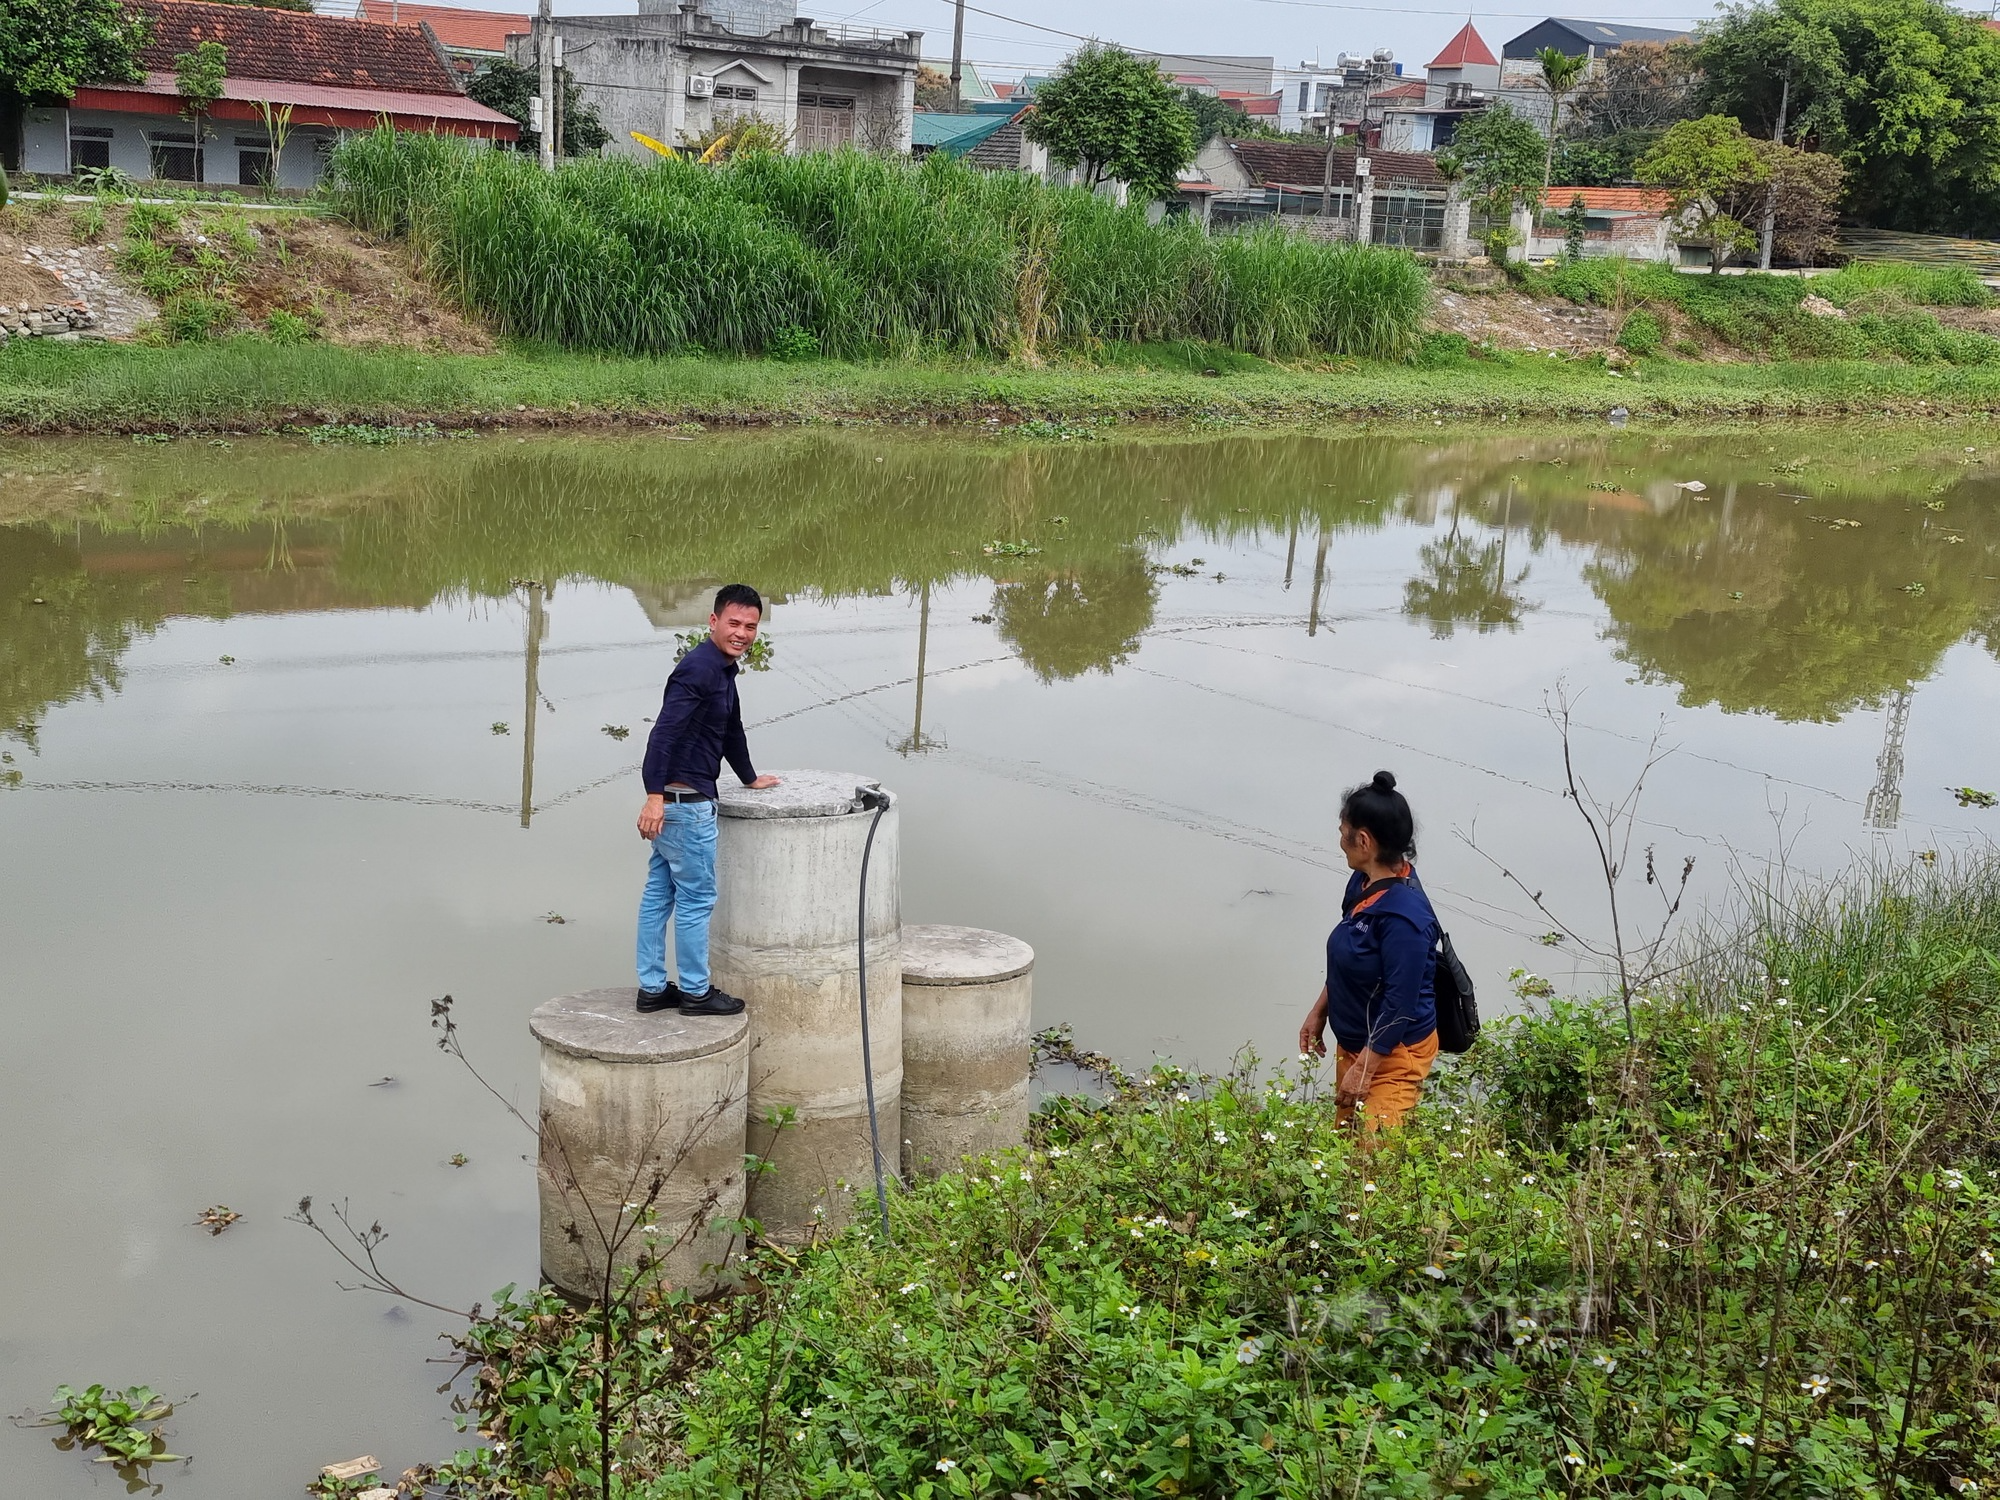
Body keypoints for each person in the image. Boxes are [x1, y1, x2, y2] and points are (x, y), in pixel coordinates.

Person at [635, 583, 780, 1016]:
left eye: (750, 626)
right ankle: (696, 992)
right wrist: (653, 796)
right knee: (697, 900)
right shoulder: (699, 669)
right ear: (713, 621)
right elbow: (663, 733)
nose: (742, 633)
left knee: (659, 895)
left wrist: (750, 778)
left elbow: (730, 730)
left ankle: (653, 987)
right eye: (733, 623)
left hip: (681, 804)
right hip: (686, 805)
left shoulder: (722, 670)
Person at [1297, 771, 1440, 1131]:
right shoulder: (1363, 883)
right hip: (1358, 1043)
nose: (1340, 840)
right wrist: (1320, 1012)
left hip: (1393, 1053)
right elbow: (1352, 955)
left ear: (1363, 840)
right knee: (1343, 1148)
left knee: (1372, 1161)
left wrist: (1365, 1068)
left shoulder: (1404, 917)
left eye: (1343, 832)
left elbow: (1399, 1003)